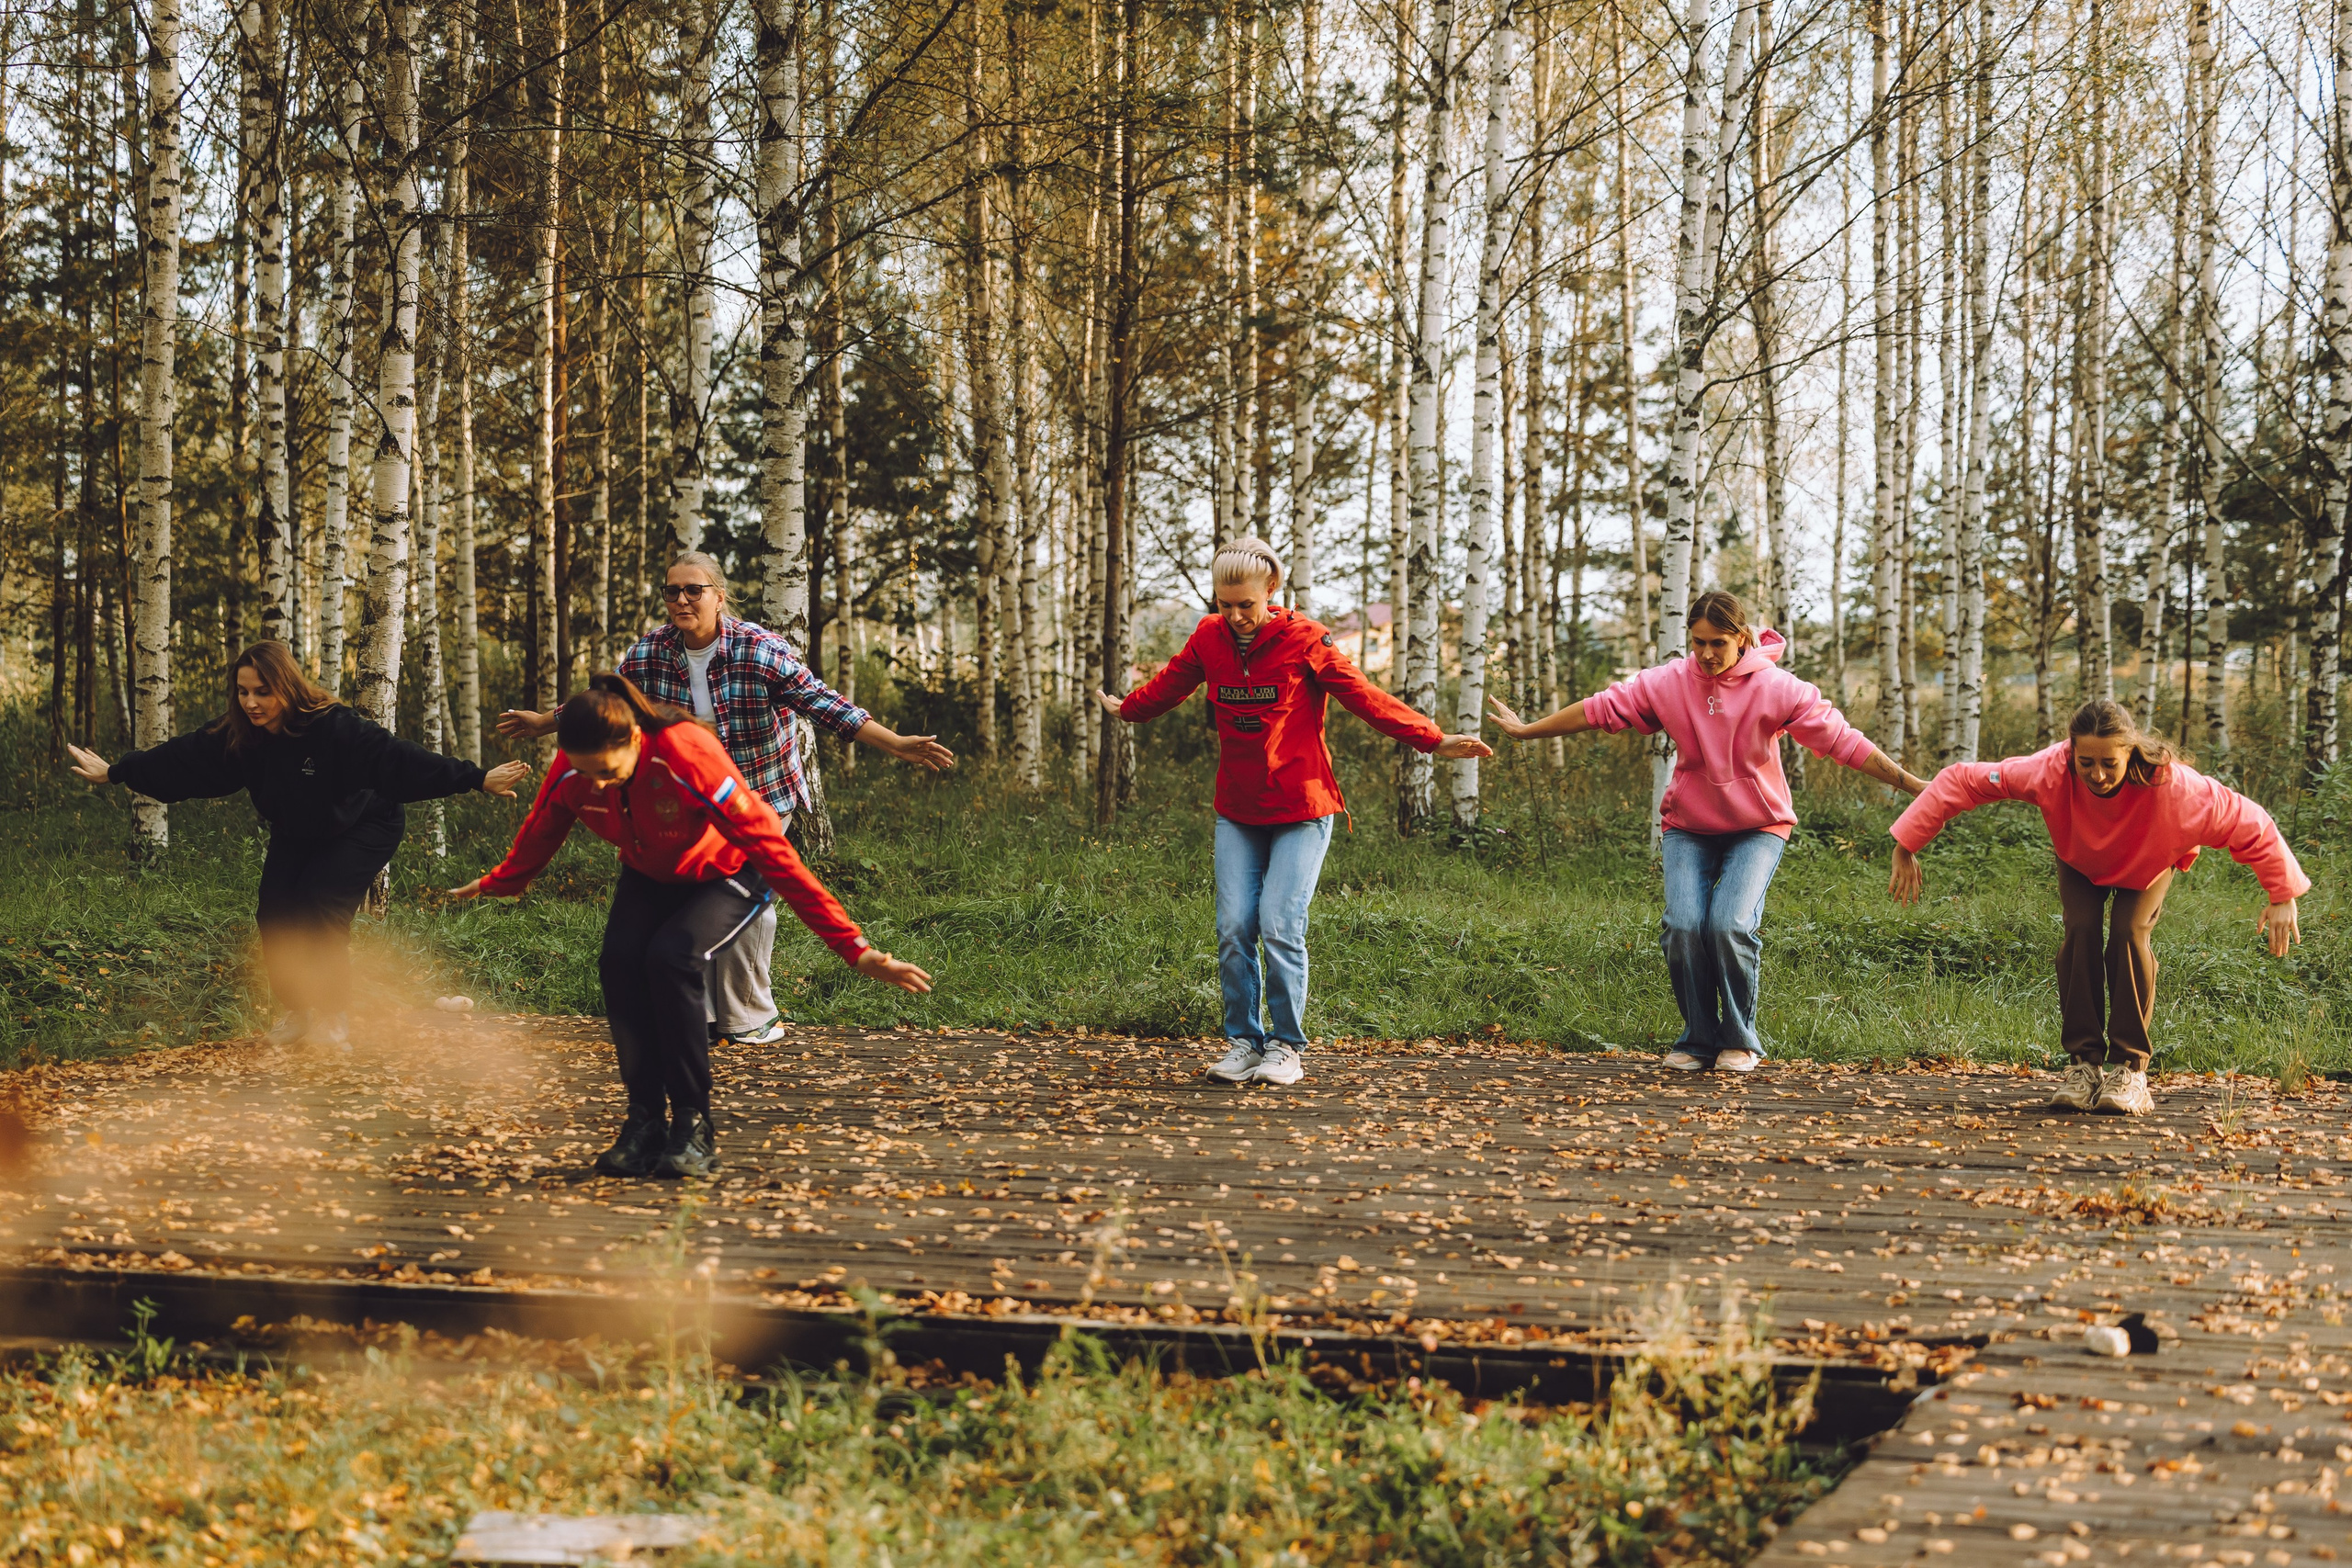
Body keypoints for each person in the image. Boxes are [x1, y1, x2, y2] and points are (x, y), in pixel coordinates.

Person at [453, 672, 931, 1178]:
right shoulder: (574, 768)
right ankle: (644, 1122)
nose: (596, 784)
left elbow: (772, 851)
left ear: (635, 740)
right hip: (652, 869)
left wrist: (853, 948)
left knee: (672, 957)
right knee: (618, 963)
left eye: (608, 773)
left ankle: (692, 1124)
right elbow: (544, 825)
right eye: (585, 772)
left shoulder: (683, 753)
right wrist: (500, 881)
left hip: (731, 869)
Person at [497, 552, 951, 1047]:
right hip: (693, 796)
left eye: (694, 590)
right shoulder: (650, 653)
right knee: (696, 898)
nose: (681, 600)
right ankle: (705, 1012)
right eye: (672, 591)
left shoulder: (759, 650)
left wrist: (897, 744)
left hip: (762, 791)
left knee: (745, 896)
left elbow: (826, 704)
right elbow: (604, 705)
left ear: (719, 596)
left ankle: (749, 1014)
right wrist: (545, 721)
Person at [1097, 536, 1492, 1088]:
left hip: (1302, 807)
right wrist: (1129, 710)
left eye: (1246, 605)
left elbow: (1363, 695)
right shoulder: (1209, 637)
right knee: (1235, 926)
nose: (1235, 617)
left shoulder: (1305, 639)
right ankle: (1243, 1041)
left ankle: (1286, 1047)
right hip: (1238, 809)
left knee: (1279, 922)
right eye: (1224, 604)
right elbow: (1171, 683)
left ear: (1272, 591)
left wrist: (1432, 740)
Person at [1488, 591, 1926, 1075]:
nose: (1706, 654)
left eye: (1717, 643)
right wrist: (1527, 731)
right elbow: (1599, 709)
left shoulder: (1780, 688)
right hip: (1689, 826)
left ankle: (1739, 1041)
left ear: (1743, 638)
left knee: (1729, 924)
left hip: (1758, 826)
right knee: (1682, 927)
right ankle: (1698, 1038)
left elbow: (1845, 742)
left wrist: (1912, 784)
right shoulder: (1670, 682)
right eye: (1697, 643)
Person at [62, 641, 532, 1048]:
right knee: (276, 912)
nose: (251, 702)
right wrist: (117, 771)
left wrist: (475, 778)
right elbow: (184, 758)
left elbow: (396, 757)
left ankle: (332, 1015)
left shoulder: (333, 726)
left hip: (364, 824)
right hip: (299, 830)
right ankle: (299, 1011)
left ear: (286, 687)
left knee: (321, 903)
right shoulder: (240, 734)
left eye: (262, 691)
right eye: (243, 691)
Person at [1888, 698, 2307, 1115]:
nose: (2098, 774)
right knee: (2081, 929)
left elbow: (2250, 822)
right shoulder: (2049, 770)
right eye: (2085, 762)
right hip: (2081, 859)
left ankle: (2129, 1070)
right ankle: (2083, 1066)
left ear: (2130, 752)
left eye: (2109, 762)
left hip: (2147, 861)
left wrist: (2281, 894)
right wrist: (1907, 843)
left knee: (2127, 933)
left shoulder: (2178, 789)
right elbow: (1963, 780)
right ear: (2070, 752)